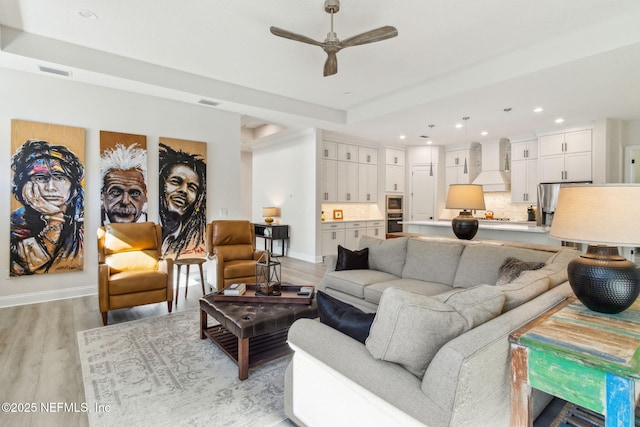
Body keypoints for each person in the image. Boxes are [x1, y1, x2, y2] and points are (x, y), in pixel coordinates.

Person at [10, 139, 85, 275]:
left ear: (72, 185)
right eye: (40, 178)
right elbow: (26, 266)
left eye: (59, 177)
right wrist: (54, 220)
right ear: (25, 186)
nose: (50, 187)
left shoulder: (84, 222)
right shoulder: (14, 224)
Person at [158, 143, 206, 258]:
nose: (184, 190)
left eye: (192, 187)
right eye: (175, 182)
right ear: (162, 185)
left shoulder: (195, 239)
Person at [100, 143, 148, 224]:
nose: (125, 201)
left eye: (135, 193)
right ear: (102, 194)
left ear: (146, 196)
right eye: (115, 192)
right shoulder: (85, 226)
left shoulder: (159, 227)